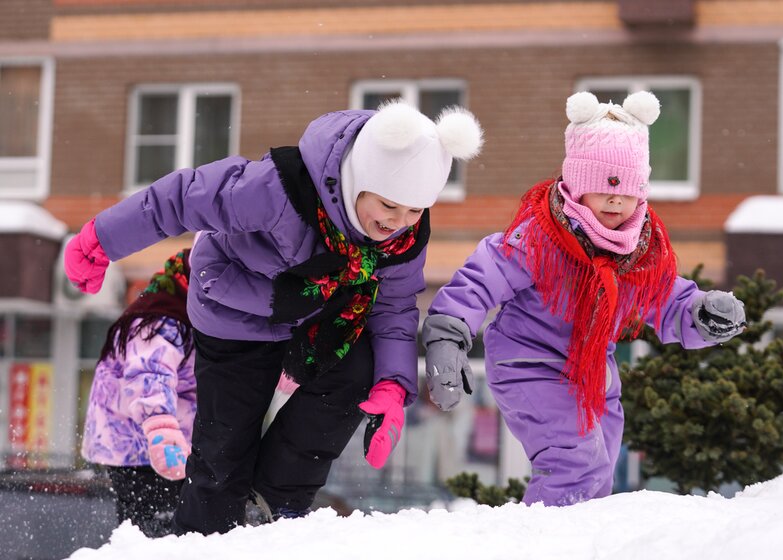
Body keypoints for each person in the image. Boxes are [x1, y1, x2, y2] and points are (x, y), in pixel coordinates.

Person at [64, 100, 483, 535]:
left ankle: (275, 503)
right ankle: (203, 537)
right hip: (234, 312)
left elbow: (394, 307)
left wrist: (394, 388)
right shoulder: (277, 189)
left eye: (414, 211)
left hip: (313, 318)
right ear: (362, 179)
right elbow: (180, 198)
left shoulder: (404, 239)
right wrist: (101, 240)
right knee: (224, 452)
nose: (397, 224)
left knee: (360, 368)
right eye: (388, 206)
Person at [422, 91, 746, 507]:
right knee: (575, 464)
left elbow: (665, 299)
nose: (615, 199)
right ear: (576, 186)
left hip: (594, 376)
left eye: (626, 190)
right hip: (531, 366)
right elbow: (481, 278)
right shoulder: (540, 237)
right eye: (602, 187)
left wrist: (701, 314)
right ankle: (544, 545)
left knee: (599, 478)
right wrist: (448, 335)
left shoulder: (638, 252)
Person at [81, 248, 195, 538]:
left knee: (156, 533)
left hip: (157, 448)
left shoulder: (176, 309)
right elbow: (149, 375)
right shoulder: (162, 319)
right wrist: (162, 433)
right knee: (156, 535)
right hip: (146, 451)